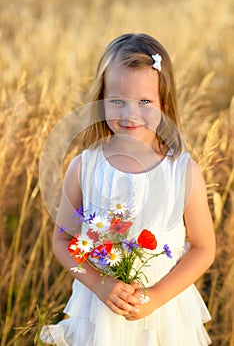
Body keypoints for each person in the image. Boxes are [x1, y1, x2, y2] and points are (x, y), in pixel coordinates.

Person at [40, 33, 216, 345]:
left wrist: (157, 296)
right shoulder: (84, 167)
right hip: (100, 311)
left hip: (165, 314)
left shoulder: (182, 171)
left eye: (144, 102)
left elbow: (203, 249)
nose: (129, 114)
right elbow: (62, 241)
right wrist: (99, 283)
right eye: (117, 101)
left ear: (164, 103)